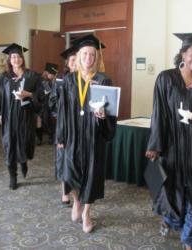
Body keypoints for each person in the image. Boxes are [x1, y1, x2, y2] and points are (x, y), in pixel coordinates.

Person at [145, 32, 192, 250]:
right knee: (173, 190)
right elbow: (158, 113)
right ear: (183, 54)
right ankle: (170, 219)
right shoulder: (166, 78)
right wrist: (154, 145)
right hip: (172, 146)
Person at [54, 34, 116, 233]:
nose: (89, 58)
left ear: (96, 58)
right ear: (78, 56)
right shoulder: (68, 80)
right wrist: (60, 136)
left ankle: (87, 212)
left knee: (92, 174)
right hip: (72, 134)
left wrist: (103, 114)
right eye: (85, 54)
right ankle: (76, 201)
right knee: (69, 172)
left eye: (92, 54)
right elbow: (62, 110)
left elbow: (111, 110)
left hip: (93, 136)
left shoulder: (103, 79)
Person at [0, 43, 43, 190]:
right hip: (8, 117)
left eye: (19, 56)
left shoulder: (32, 76)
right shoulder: (3, 78)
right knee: (9, 147)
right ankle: (13, 176)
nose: (16, 59)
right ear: (9, 59)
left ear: (22, 58)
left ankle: (23, 162)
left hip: (26, 117)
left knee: (25, 144)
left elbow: (42, 95)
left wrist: (29, 94)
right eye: (13, 57)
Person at [50, 45, 78, 205]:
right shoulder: (60, 81)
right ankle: (65, 192)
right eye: (72, 60)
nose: (74, 63)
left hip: (79, 126)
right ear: (67, 63)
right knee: (63, 159)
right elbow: (52, 103)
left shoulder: (84, 79)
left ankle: (77, 191)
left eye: (76, 59)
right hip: (65, 125)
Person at [36, 62, 58, 145]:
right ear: (46, 72)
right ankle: (39, 138)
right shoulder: (39, 79)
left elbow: (54, 94)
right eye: (49, 73)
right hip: (39, 103)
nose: (50, 75)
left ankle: (51, 136)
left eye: (53, 74)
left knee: (46, 117)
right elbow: (36, 92)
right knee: (39, 118)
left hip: (49, 104)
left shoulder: (54, 81)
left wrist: (53, 80)